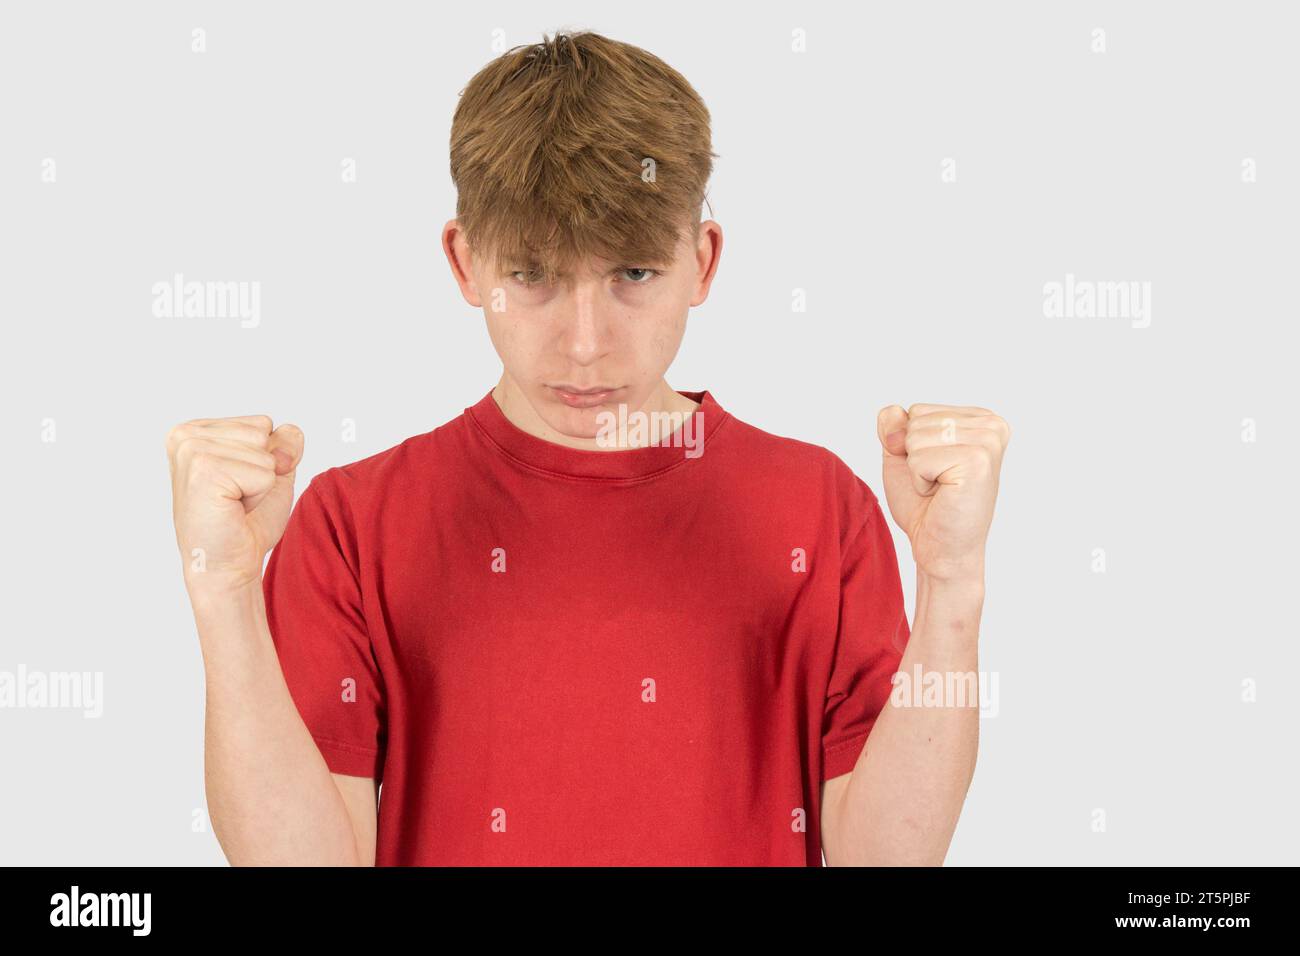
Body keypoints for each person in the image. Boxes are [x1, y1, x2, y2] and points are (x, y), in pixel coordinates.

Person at [165, 30, 1010, 866]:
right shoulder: (353, 523)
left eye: (632, 275)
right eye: (532, 277)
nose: (583, 344)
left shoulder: (821, 508)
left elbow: (888, 860)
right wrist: (224, 599)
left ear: (702, 263)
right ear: (465, 264)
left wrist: (951, 582)